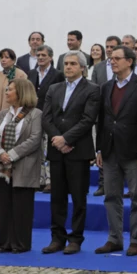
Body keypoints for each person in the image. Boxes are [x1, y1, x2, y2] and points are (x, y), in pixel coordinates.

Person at [95, 45, 137, 255]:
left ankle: (136, 240)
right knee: (111, 196)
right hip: (110, 150)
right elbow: (102, 119)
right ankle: (114, 238)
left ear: (130, 61)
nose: (112, 61)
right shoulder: (106, 87)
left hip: (134, 150)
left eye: (117, 58)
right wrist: (99, 149)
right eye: (111, 58)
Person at [41, 52, 100, 255]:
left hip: (78, 151)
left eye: (73, 64)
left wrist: (66, 139)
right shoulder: (54, 88)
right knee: (56, 197)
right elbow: (47, 117)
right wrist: (58, 140)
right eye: (66, 63)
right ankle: (57, 237)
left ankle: (75, 238)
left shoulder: (92, 89)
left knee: (78, 198)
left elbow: (88, 119)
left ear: (82, 67)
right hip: (57, 151)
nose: (68, 67)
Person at [0, 78, 43, 254]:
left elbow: (35, 139)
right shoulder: (3, 114)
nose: (6, 92)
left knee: (22, 206)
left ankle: (20, 243)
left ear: (21, 92)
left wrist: (12, 155)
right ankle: (4, 242)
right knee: (4, 205)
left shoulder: (35, 114)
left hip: (24, 166)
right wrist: (0, 154)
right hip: (2, 167)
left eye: (10, 89)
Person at [0, 48, 28, 133]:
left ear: (13, 60)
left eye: (6, 57)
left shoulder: (21, 75)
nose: (3, 60)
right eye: (1, 58)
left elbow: (24, 96)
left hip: (12, 115)